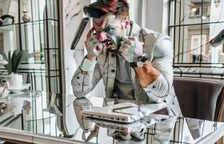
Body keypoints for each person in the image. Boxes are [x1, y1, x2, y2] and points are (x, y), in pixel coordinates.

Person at [71, 0, 181, 142]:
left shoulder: (158, 43)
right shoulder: (102, 48)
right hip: (120, 123)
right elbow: (79, 92)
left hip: (158, 126)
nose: (102, 38)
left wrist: (138, 59)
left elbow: (160, 94)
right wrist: (90, 57)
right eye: (97, 31)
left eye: (109, 29)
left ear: (126, 23)